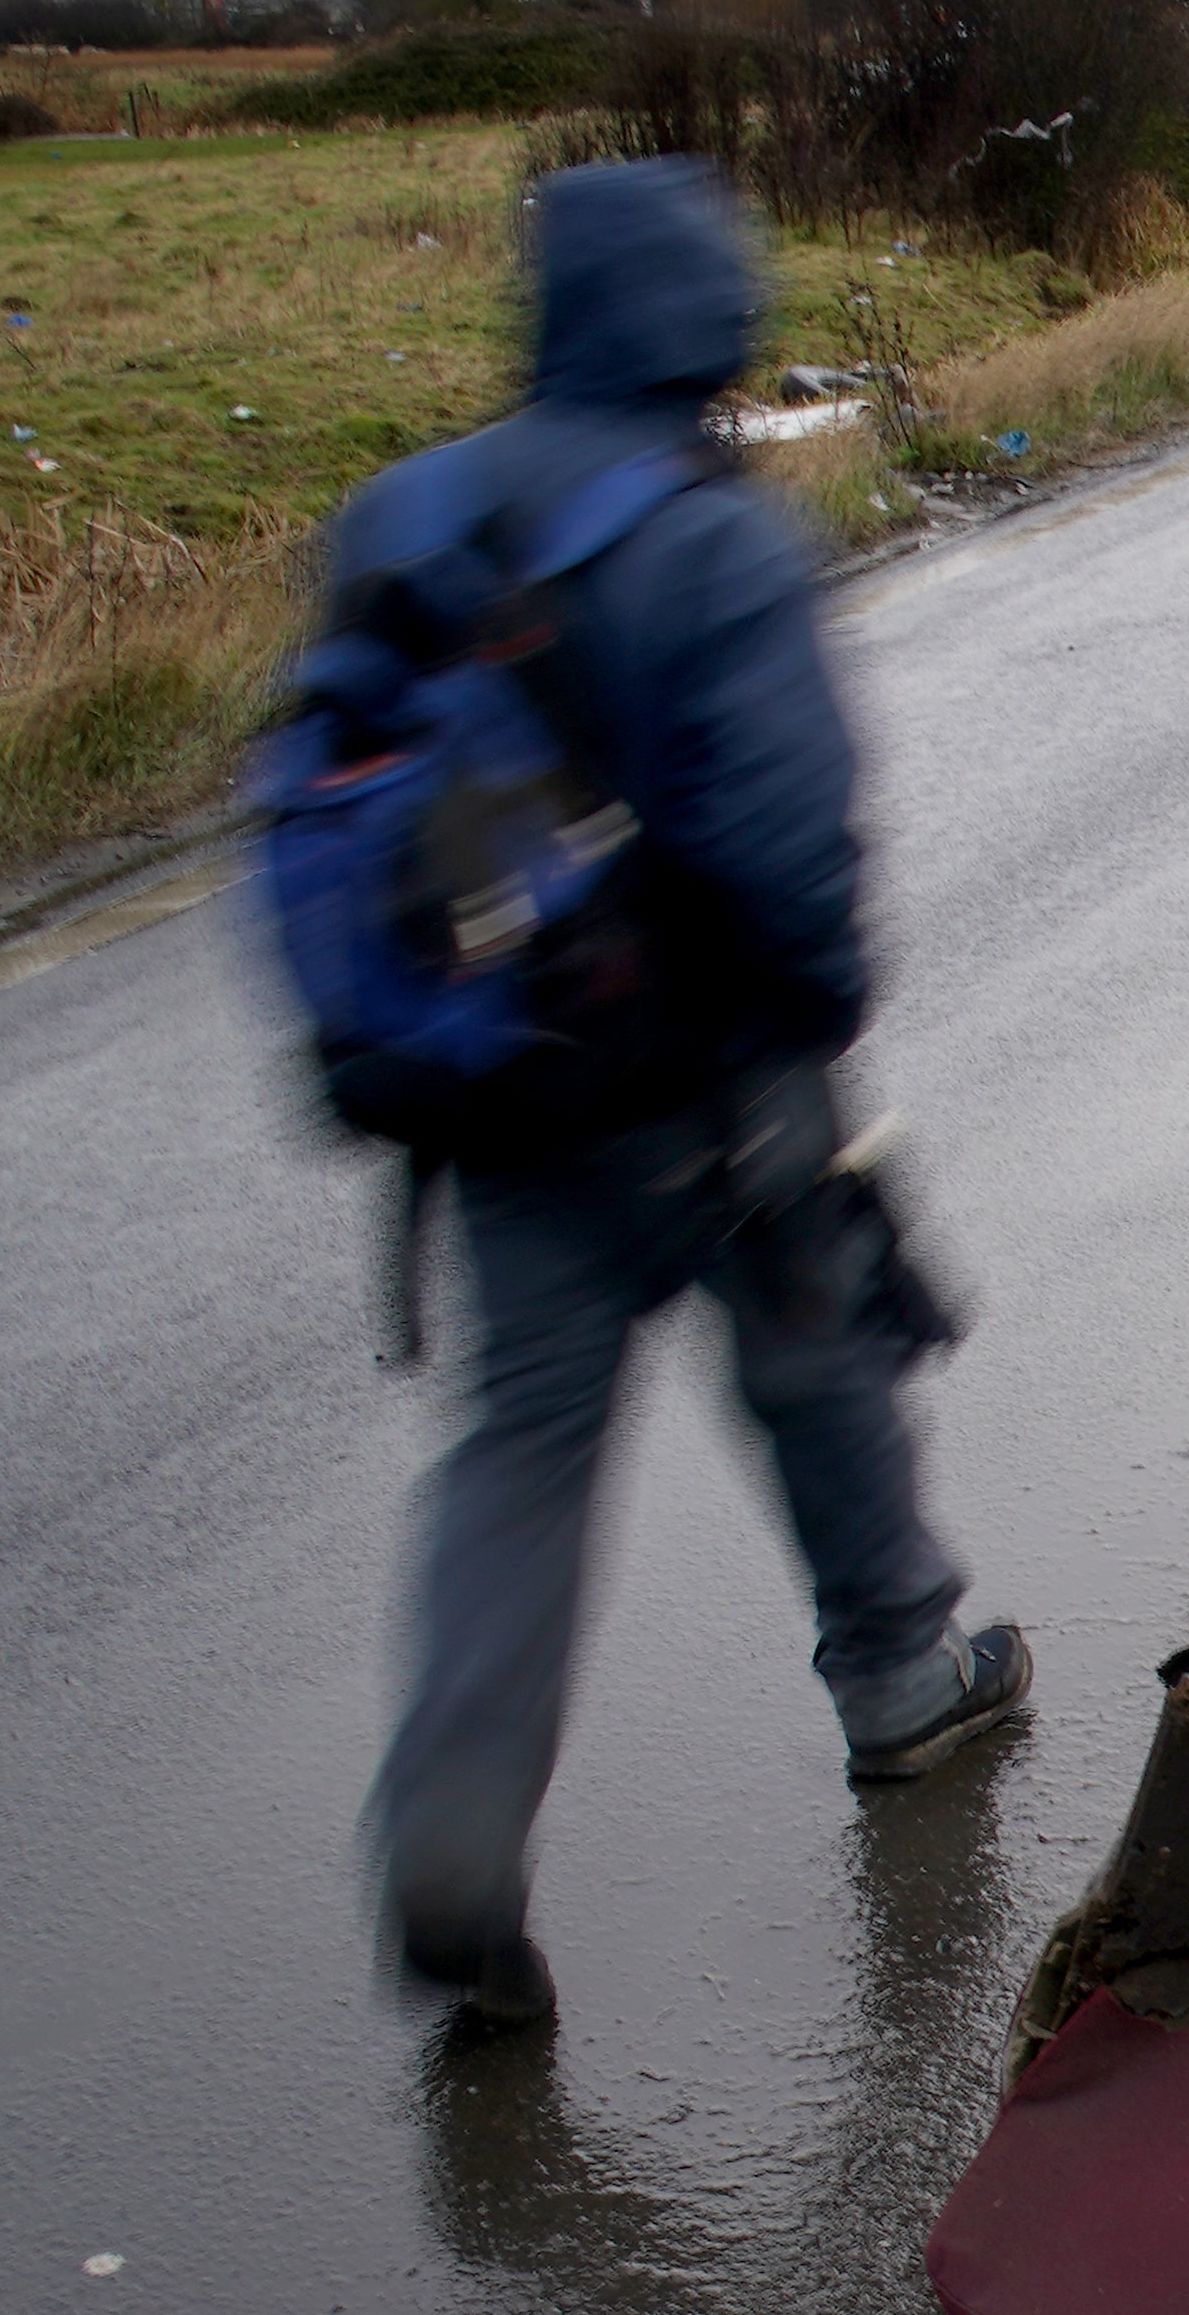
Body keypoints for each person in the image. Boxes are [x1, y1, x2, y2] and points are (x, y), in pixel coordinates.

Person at [345, 158, 1025, 2027]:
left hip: (494, 1107)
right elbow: (788, 842)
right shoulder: (710, 534)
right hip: (711, 1079)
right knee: (817, 1362)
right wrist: (811, 1025)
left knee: (521, 1452)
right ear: (708, 317)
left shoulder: (404, 513)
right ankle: (902, 1679)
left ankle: (452, 1832)